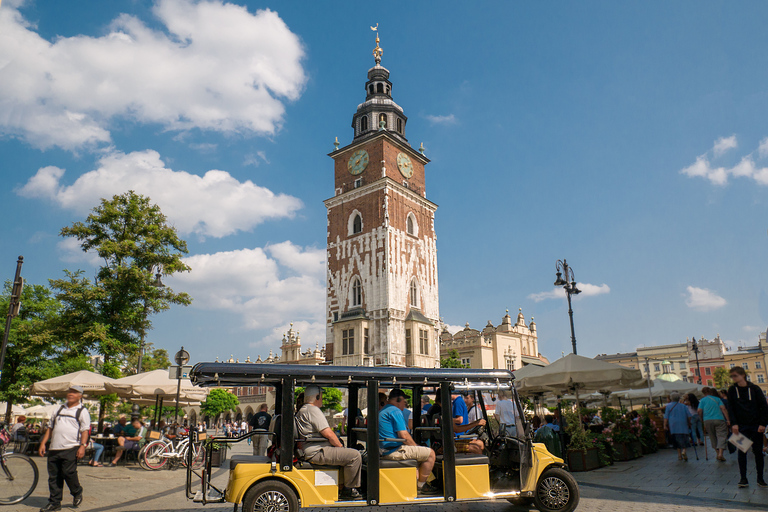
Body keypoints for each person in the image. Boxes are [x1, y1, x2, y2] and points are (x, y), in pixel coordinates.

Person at [295, 386, 363, 500]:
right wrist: (340, 446)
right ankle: (349, 489)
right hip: (317, 450)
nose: (322, 399)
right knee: (354, 456)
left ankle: (341, 486)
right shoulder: (313, 410)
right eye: (321, 396)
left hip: (311, 448)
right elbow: (329, 433)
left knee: (344, 454)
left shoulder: (303, 409)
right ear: (317, 396)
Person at [37, 385, 90, 512]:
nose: (71, 394)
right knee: (54, 476)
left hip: (71, 447)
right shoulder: (58, 409)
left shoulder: (82, 411)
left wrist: (82, 447)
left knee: (68, 472)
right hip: (54, 447)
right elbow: (50, 428)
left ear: (80, 396)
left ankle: (77, 491)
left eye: (75, 392)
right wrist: (43, 443)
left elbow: (85, 431)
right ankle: (54, 502)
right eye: (70, 392)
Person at [379, 389, 439, 496]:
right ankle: (421, 486)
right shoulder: (395, 411)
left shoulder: (384, 410)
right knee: (430, 454)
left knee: (420, 453)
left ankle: (417, 481)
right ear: (398, 399)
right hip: (394, 450)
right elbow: (404, 435)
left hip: (385, 450)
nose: (405, 405)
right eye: (404, 402)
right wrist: (416, 446)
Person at [727, 366, 768, 488]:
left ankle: (760, 478)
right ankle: (743, 478)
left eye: (735, 375)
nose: (733, 378)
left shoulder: (755, 389)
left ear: (742, 375)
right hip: (741, 427)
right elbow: (731, 407)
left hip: (756, 426)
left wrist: (762, 424)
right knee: (742, 452)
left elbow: (764, 407)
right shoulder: (732, 390)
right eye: (732, 376)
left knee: (758, 452)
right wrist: (734, 423)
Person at [698, 387, 730, 462]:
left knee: (712, 437)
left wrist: (701, 419)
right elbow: (723, 409)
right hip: (719, 419)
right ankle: (721, 454)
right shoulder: (717, 399)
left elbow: (699, 410)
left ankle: (717, 453)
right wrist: (728, 420)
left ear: (703, 393)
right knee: (721, 435)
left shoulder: (702, 400)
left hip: (707, 420)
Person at [664, 392, 692, 461]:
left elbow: (666, 417)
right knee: (684, 438)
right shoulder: (683, 406)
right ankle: (684, 451)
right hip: (683, 424)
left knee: (676, 439)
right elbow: (689, 416)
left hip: (673, 425)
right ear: (679, 398)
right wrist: (689, 423)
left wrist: (665, 425)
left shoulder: (668, 406)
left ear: (671, 398)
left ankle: (679, 455)